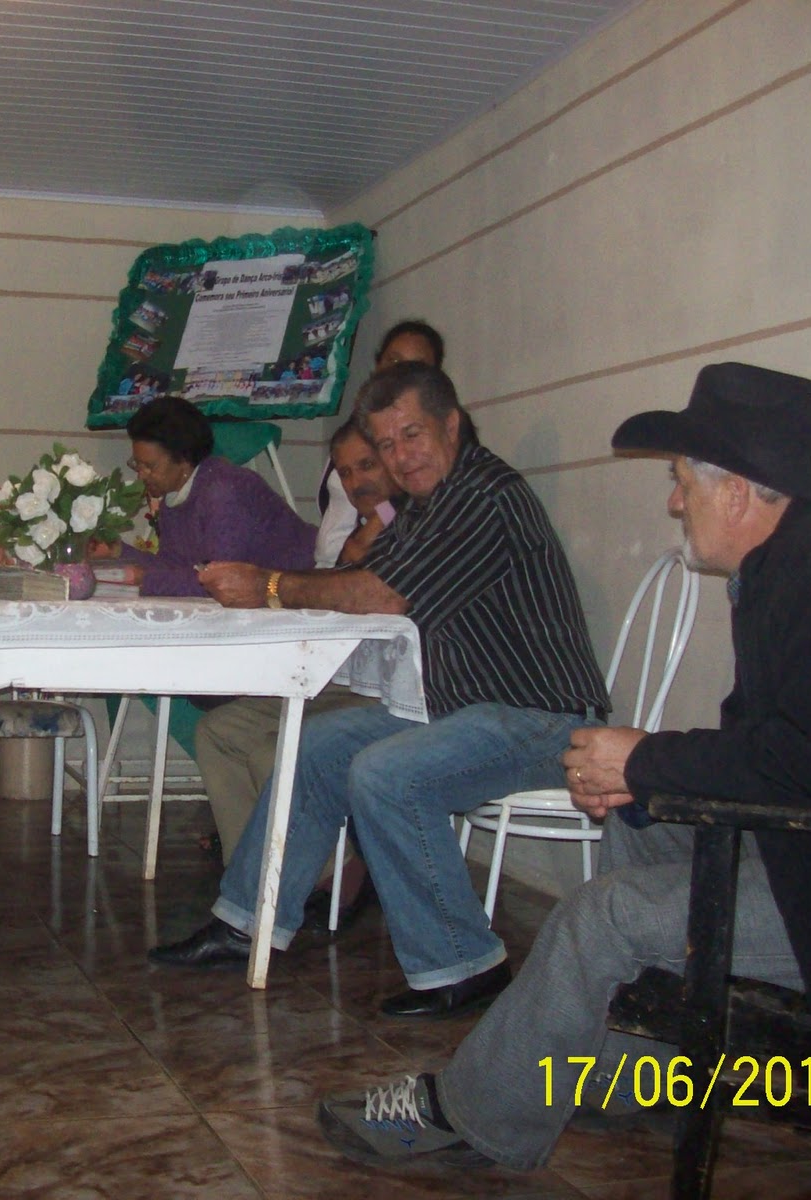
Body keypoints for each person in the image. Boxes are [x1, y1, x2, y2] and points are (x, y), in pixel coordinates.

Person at [314, 362, 811, 1175]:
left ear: (737, 492)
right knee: (641, 818)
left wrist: (649, 757)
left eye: (680, 484)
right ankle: (628, 1076)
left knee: (605, 916)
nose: (674, 503)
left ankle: (475, 1118)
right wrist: (644, 776)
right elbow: (797, 749)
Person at [150, 362, 609, 1024]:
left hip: (543, 719)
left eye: (412, 435)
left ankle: (464, 964)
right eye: (387, 444)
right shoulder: (432, 504)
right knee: (316, 745)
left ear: (452, 426)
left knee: (386, 772)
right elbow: (361, 582)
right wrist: (281, 585)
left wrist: (269, 587)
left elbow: (379, 595)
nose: (400, 456)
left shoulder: (483, 495)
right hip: (466, 712)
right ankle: (248, 922)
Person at [191, 418, 399, 912]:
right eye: (345, 473)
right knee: (218, 731)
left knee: (273, 753)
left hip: (396, 692)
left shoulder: (415, 522)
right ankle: (252, 887)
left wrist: (272, 586)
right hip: (343, 678)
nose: (356, 482)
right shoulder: (359, 525)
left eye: (367, 465)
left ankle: (335, 875)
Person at [94, 395, 315, 596]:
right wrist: (117, 551)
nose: (141, 475)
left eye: (150, 466)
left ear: (184, 459)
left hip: (307, 590)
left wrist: (146, 580)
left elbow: (222, 582)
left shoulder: (224, 491)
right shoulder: (174, 497)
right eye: (137, 464)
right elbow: (173, 567)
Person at [314, 319, 445, 569]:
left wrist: (375, 524)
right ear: (377, 367)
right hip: (329, 568)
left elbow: (419, 499)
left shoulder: (432, 440)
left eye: (416, 366)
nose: (400, 374)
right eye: (394, 361)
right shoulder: (353, 431)